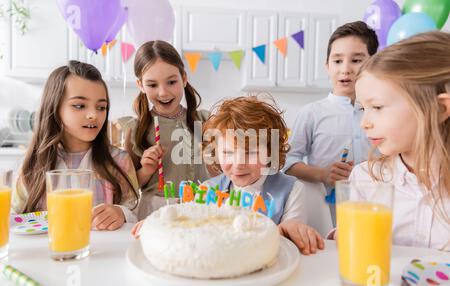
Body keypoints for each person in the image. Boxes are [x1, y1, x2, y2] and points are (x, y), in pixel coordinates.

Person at [133, 95, 325, 255]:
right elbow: (186, 223)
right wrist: (159, 223)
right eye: (227, 153)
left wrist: (287, 230)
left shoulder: (291, 189)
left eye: (250, 152)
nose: (239, 163)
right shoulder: (208, 190)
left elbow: (293, 235)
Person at [349, 31, 450, 251]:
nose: (364, 123)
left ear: (440, 108)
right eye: (363, 109)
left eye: (377, 107)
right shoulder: (365, 179)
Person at [13, 61, 139, 230]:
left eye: (101, 107)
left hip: (104, 253)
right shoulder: (32, 166)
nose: (94, 115)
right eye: (79, 106)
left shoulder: (119, 161)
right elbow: (13, 217)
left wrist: (120, 212)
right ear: (55, 107)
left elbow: (134, 208)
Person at [284, 21, 378, 226]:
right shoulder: (311, 113)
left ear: (373, 64)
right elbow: (288, 162)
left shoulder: (382, 111)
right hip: (326, 213)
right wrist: (322, 174)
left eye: (356, 60)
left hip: (375, 209)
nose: (345, 69)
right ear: (327, 67)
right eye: (337, 61)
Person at [125, 40, 211, 220]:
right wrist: (146, 170)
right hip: (155, 211)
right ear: (140, 85)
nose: (163, 92)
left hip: (200, 208)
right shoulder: (135, 129)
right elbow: (128, 187)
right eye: (152, 85)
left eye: (171, 82)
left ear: (184, 79)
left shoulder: (205, 121)